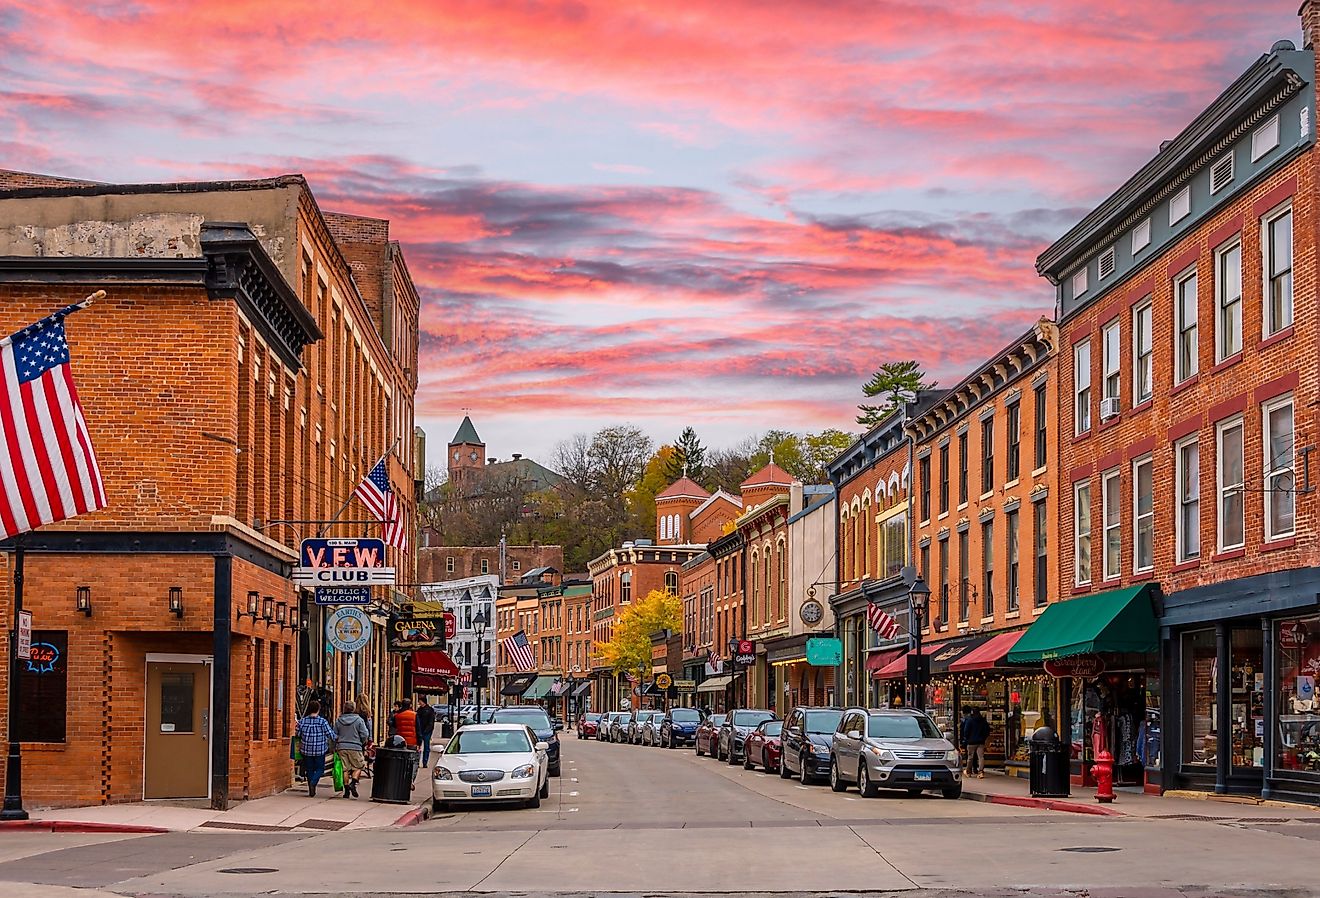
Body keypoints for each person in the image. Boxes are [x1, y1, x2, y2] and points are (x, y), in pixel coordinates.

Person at [296, 700, 336, 797]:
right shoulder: (322, 721)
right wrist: (337, 738)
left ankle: (311, 788)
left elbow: (298, 734)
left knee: (309, 769)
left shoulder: (302, 721)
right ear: (318, 709)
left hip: (306, 749)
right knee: (320, 769)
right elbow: (330, 734)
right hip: (320, 749)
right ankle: (313, 782)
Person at [333, 701, 371, 798]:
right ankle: (353, 783)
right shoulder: (359, 720)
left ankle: (346, 791)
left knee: (345, 769)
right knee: (359, 766)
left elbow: (334, 734)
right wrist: (362, 742)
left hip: (342, 747)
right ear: (353, 709)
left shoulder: (339, 720)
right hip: (355, 747)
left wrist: (336, 744)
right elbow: (365, 734)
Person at [962, 708, 990, 778]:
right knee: (981, 757)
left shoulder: (970, 720)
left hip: (971, 742)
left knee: (970, 757)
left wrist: (967, 738)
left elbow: (966, 731)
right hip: (981, 742)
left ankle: (968, 772)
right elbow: (987, 730)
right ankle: (981, 772)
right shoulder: (983, 720)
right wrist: (983, 738)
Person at [415, 697, 437, 768]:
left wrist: (427, 730)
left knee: (426, 747)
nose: (419, 703)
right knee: (418, 747)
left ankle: (425, 762)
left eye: (420, 701)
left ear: (423, 701)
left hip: (427, 731)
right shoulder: (419, 710)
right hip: (419, 730)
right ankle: (417, 762)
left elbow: (431, 722)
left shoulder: (430, 710)